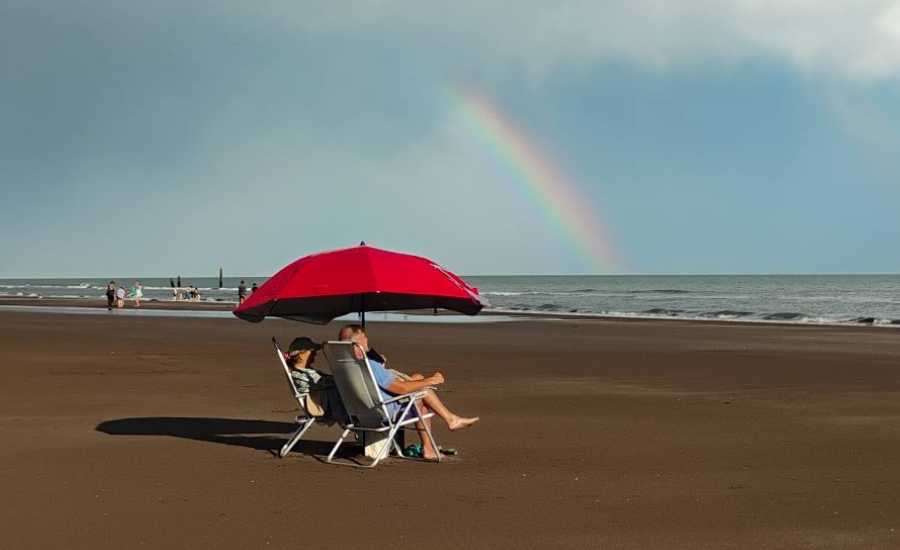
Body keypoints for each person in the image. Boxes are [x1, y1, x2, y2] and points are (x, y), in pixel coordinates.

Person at [338, 324, 479, 460]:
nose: (367, 339)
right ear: (357, 343)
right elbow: (402, 389)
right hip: (383, 411)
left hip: (359, 411)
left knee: (417, 378)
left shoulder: (345, 367)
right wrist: (431, 380)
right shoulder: (370, 365)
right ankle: (449, 422)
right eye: (364, 337)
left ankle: (434, 442)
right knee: (423, 391)